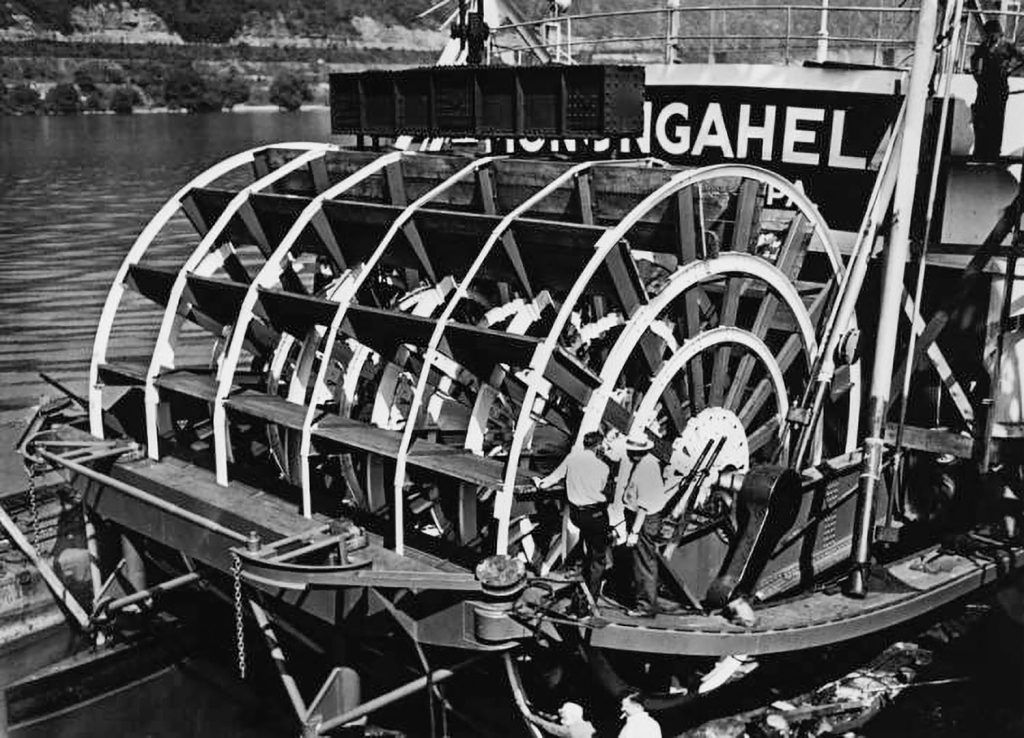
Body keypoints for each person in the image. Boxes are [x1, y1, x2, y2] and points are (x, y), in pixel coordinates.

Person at [535, 431, 612, 614]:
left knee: (587, 552)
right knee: (598, 560)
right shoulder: (603, 468)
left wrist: (540, 483)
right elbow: (601, 488)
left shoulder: (571, 459)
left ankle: (579, 589)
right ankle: (588, 603)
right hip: (596, 516)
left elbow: (553, 478)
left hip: (577, 516)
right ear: (599, 447)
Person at [622, 433, 670, 618]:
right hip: (648, 519)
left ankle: (645, 607)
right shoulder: (649, 461)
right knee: (646, 561)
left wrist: (634, 532)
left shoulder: (644, 469)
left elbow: (643, 506)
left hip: (644, 522)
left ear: (635, 452)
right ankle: (648, 600)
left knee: (643, 563)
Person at [971, 20, 1023, 161]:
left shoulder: (1007, 46)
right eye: (989, 34)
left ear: (998, 33)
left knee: (996, 120)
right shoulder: (984, 47)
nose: (991, 36)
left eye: (993, 34)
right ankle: (981, 149)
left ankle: (993, 151)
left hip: (999, 88)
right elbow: (974, 60)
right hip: (985, 88)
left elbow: (1022, 57)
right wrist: (977, 76)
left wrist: (1010, 68)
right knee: (981, 117)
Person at [526, 701, 596, 738]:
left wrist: (530, 716)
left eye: (563, 716)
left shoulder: (571, 732)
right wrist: (538, 712)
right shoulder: (585, 725)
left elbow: (551, 727)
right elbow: (556, 719)